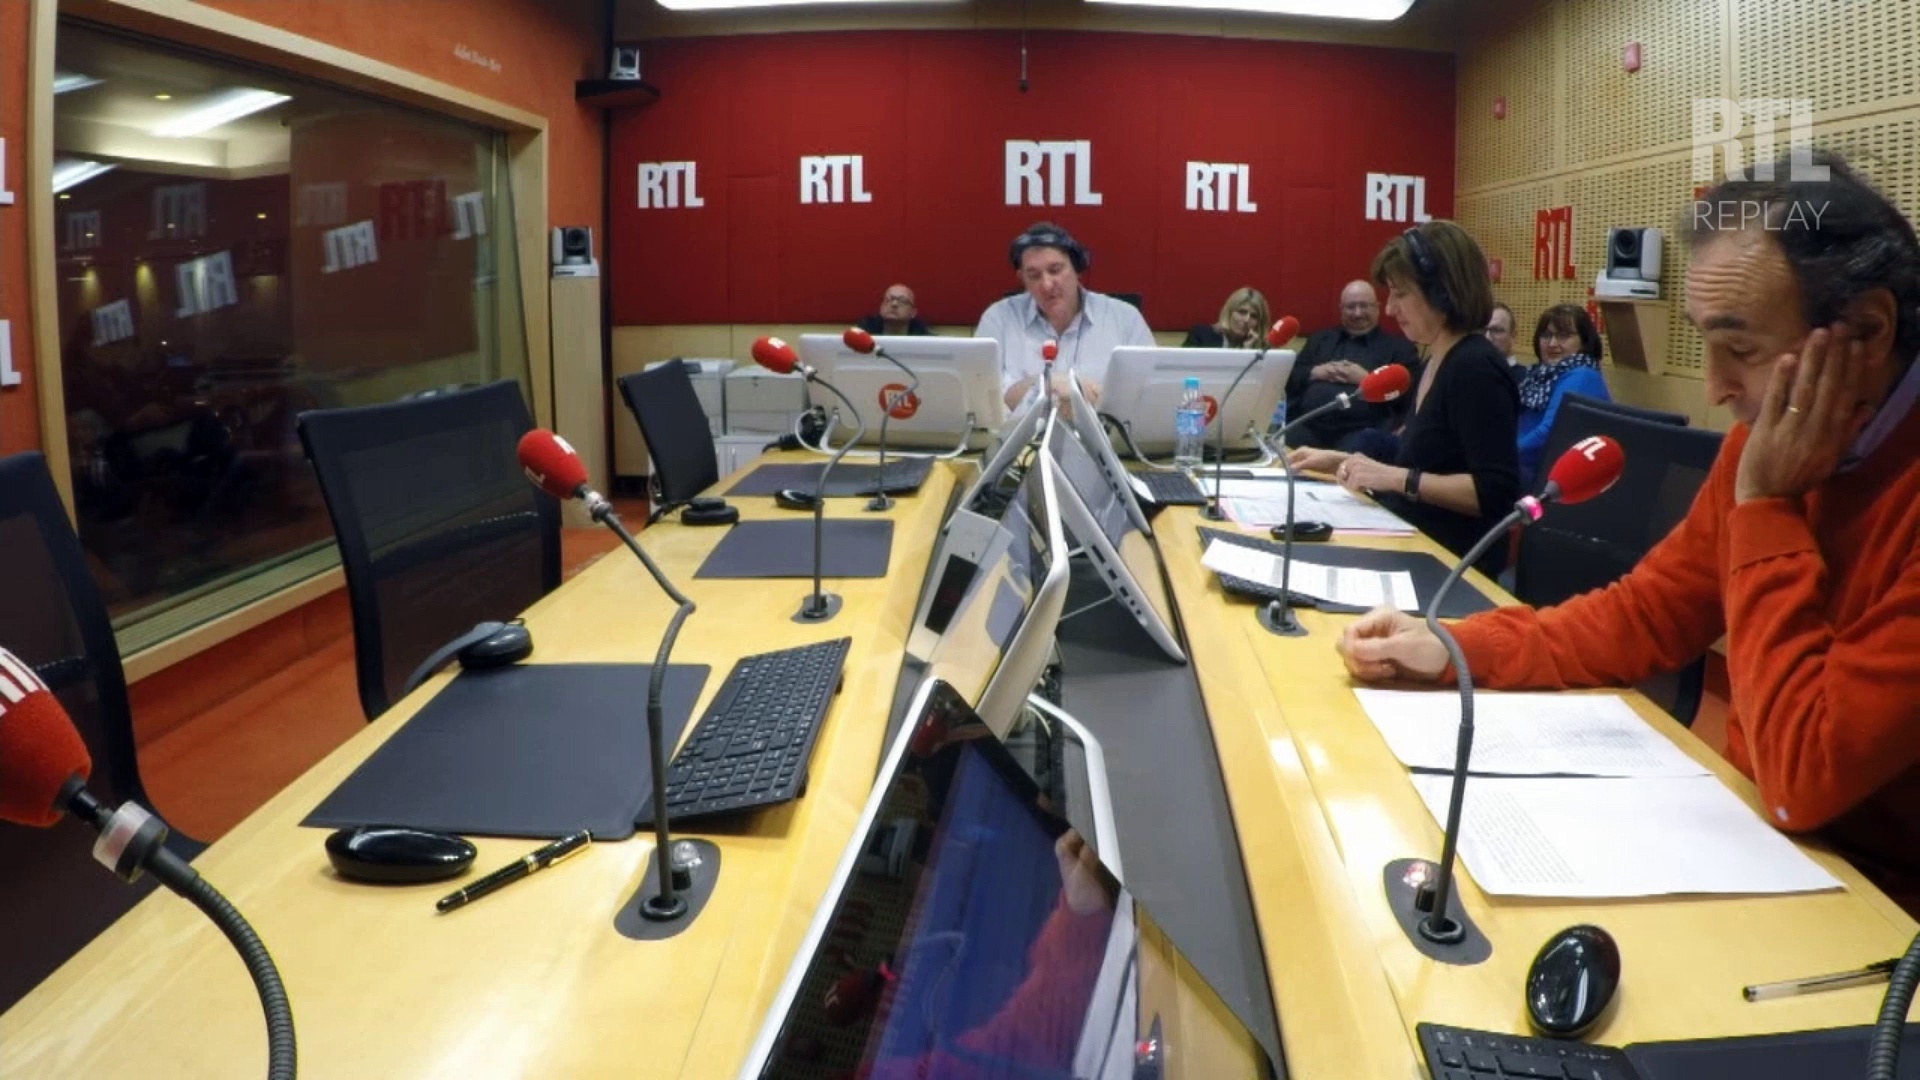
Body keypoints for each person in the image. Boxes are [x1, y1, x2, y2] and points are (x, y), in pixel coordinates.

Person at [1334, 152, 1920, 914]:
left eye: (1741, 349)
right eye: (1704, 344)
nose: (1715, 387)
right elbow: (1644, 615)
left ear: (1868, 330)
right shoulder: (1767, 448)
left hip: (1880, 914)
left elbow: (1801, 775)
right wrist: (1454, 647)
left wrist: (1766, 508)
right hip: (1770, 850)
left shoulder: (1767, 473)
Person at [1289, 222, 1521, 576]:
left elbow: (1494, 493)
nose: (1389, 309)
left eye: (1399, 293)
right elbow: (1425, 458)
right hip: (1412, 542)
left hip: (1448, 568)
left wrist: (1395, 479)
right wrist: (1341, 461)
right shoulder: (1436, 360)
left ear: (1442, 293)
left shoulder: (1476, 367)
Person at [975, 221, 1154, 410]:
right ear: (1022, 279)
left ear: (1077, 269)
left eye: (1055, 270)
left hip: (1101, 428)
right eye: (1034, 275)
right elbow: (981, 398)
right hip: (1021, 429)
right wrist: (1047, 383)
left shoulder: (1125, 319)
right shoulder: (999, 319)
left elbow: (1147, 395)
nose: (1046, 284)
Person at [1284, 279, 1421, 448]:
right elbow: (1289, 378)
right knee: (1283, 441)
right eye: (1350, 307)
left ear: (1377, 308)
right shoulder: (1320, 339)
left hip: (1363, 431)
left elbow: (1411, 396)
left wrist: (1367, 380)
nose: (1357, 313)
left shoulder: (1400, 348)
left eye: (1364, 306)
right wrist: (1315, 372)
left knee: (1358, 446)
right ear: (1341, 309)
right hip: (1309, 426)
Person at [1515, 303, 1611, 489]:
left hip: (1551, 482)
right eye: (1546, 335)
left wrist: (1501, 456)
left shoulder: (1582, 375)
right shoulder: (1537, 374)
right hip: (1527, 470)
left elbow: (1549, 432)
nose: (1552, 344)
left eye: (1563, 336)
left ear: (1584, 341)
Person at [1182, 287, 1270, 348]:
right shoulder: (1201, 336)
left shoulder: (1263, 349)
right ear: (1229, 312)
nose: (1247, 320)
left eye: (1254, 316)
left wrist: (1249, 354)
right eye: (1242, 312)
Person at [858, 284, 933, 337]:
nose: (894, 304)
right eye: (889, 299)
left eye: (902, 301)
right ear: (881, 307)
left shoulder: (926, 339)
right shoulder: (863, 335)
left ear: (913, 313)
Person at [1486, 301, 1523, 382]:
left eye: (1496, 330)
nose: (1487, 337)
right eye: (1483, 330)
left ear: (1513, 336)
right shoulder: (1469, 373)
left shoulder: (1527, 379)